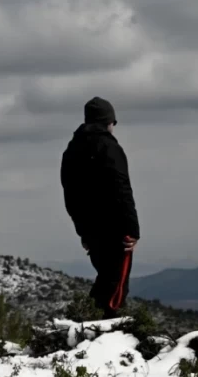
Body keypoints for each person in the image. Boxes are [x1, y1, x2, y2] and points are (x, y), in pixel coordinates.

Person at [61, 97, 140, 318]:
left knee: (106, 278)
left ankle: (86, 325)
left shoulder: (72, 150)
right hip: (115, 230)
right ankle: (102, 333)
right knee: (115, 288)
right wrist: (133, 230)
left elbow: (70, 194)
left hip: (90, 230)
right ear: (109, 121)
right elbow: (122, 188)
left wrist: (83, 231)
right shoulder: (109, 147)